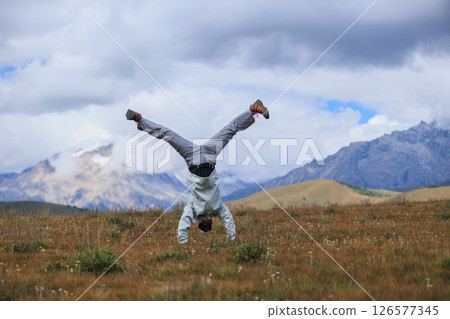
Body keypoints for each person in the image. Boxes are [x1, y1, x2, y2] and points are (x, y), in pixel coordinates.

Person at [126, 100, 269, 243]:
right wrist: (232, 240)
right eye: (209, 223)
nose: (207, 221)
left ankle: (139, 119)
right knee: (230, 130)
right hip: (209, 156)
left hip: (192, 158)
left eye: (204, 224)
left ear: (199, 223)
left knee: (167, 134)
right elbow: (228, 219)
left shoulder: (192, 209)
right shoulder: (217, 207)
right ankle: (253, 111)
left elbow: (183, 224)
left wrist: (183, 244)